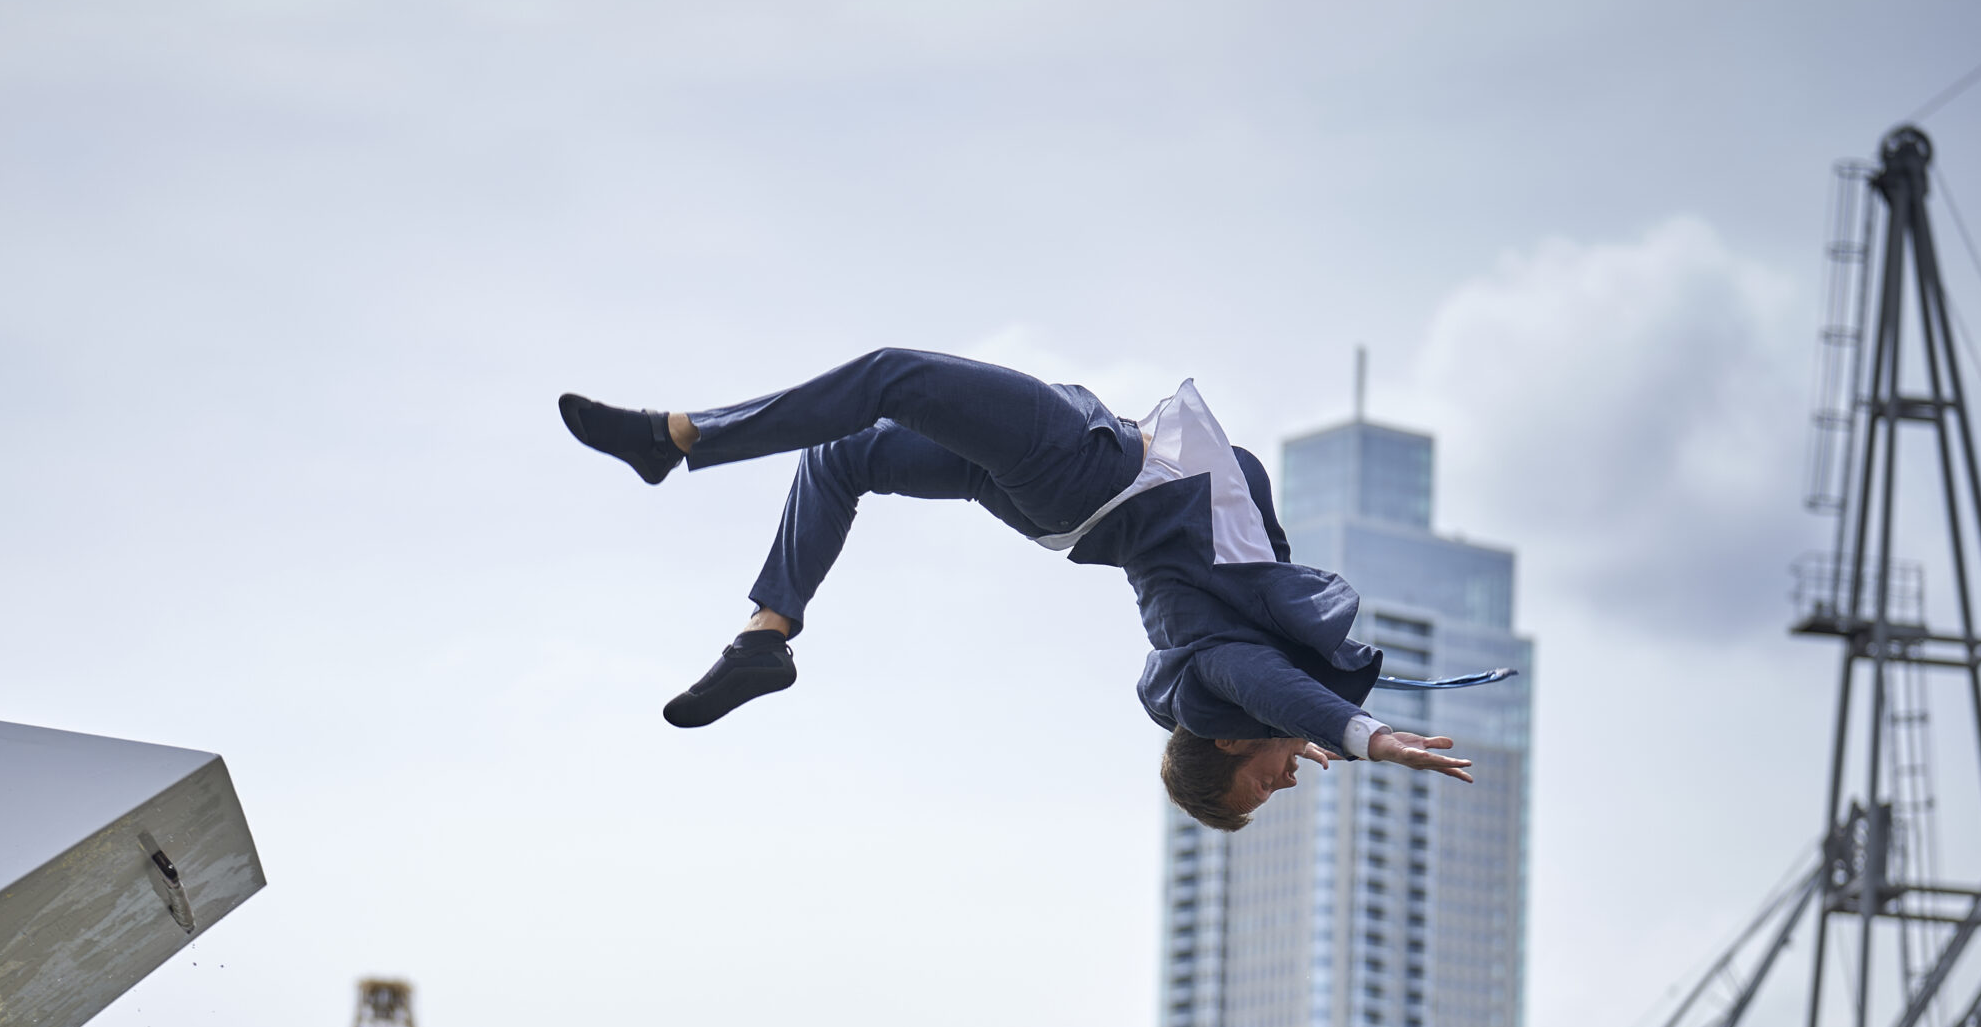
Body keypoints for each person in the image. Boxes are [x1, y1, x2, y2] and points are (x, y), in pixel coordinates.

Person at [558, 348, 1489, 831]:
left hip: (1082, 473)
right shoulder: (1238, 668)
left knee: (891, 376)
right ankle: (767, 634)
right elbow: (1278, 682)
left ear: (1231, 739)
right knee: (845, 451)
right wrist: (1321, 717)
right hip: (1064, 512)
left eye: (1259, 785)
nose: (1283, 783)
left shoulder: (1211, 684)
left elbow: (1262, 690)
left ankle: (675, 438)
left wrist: (1366, 738)